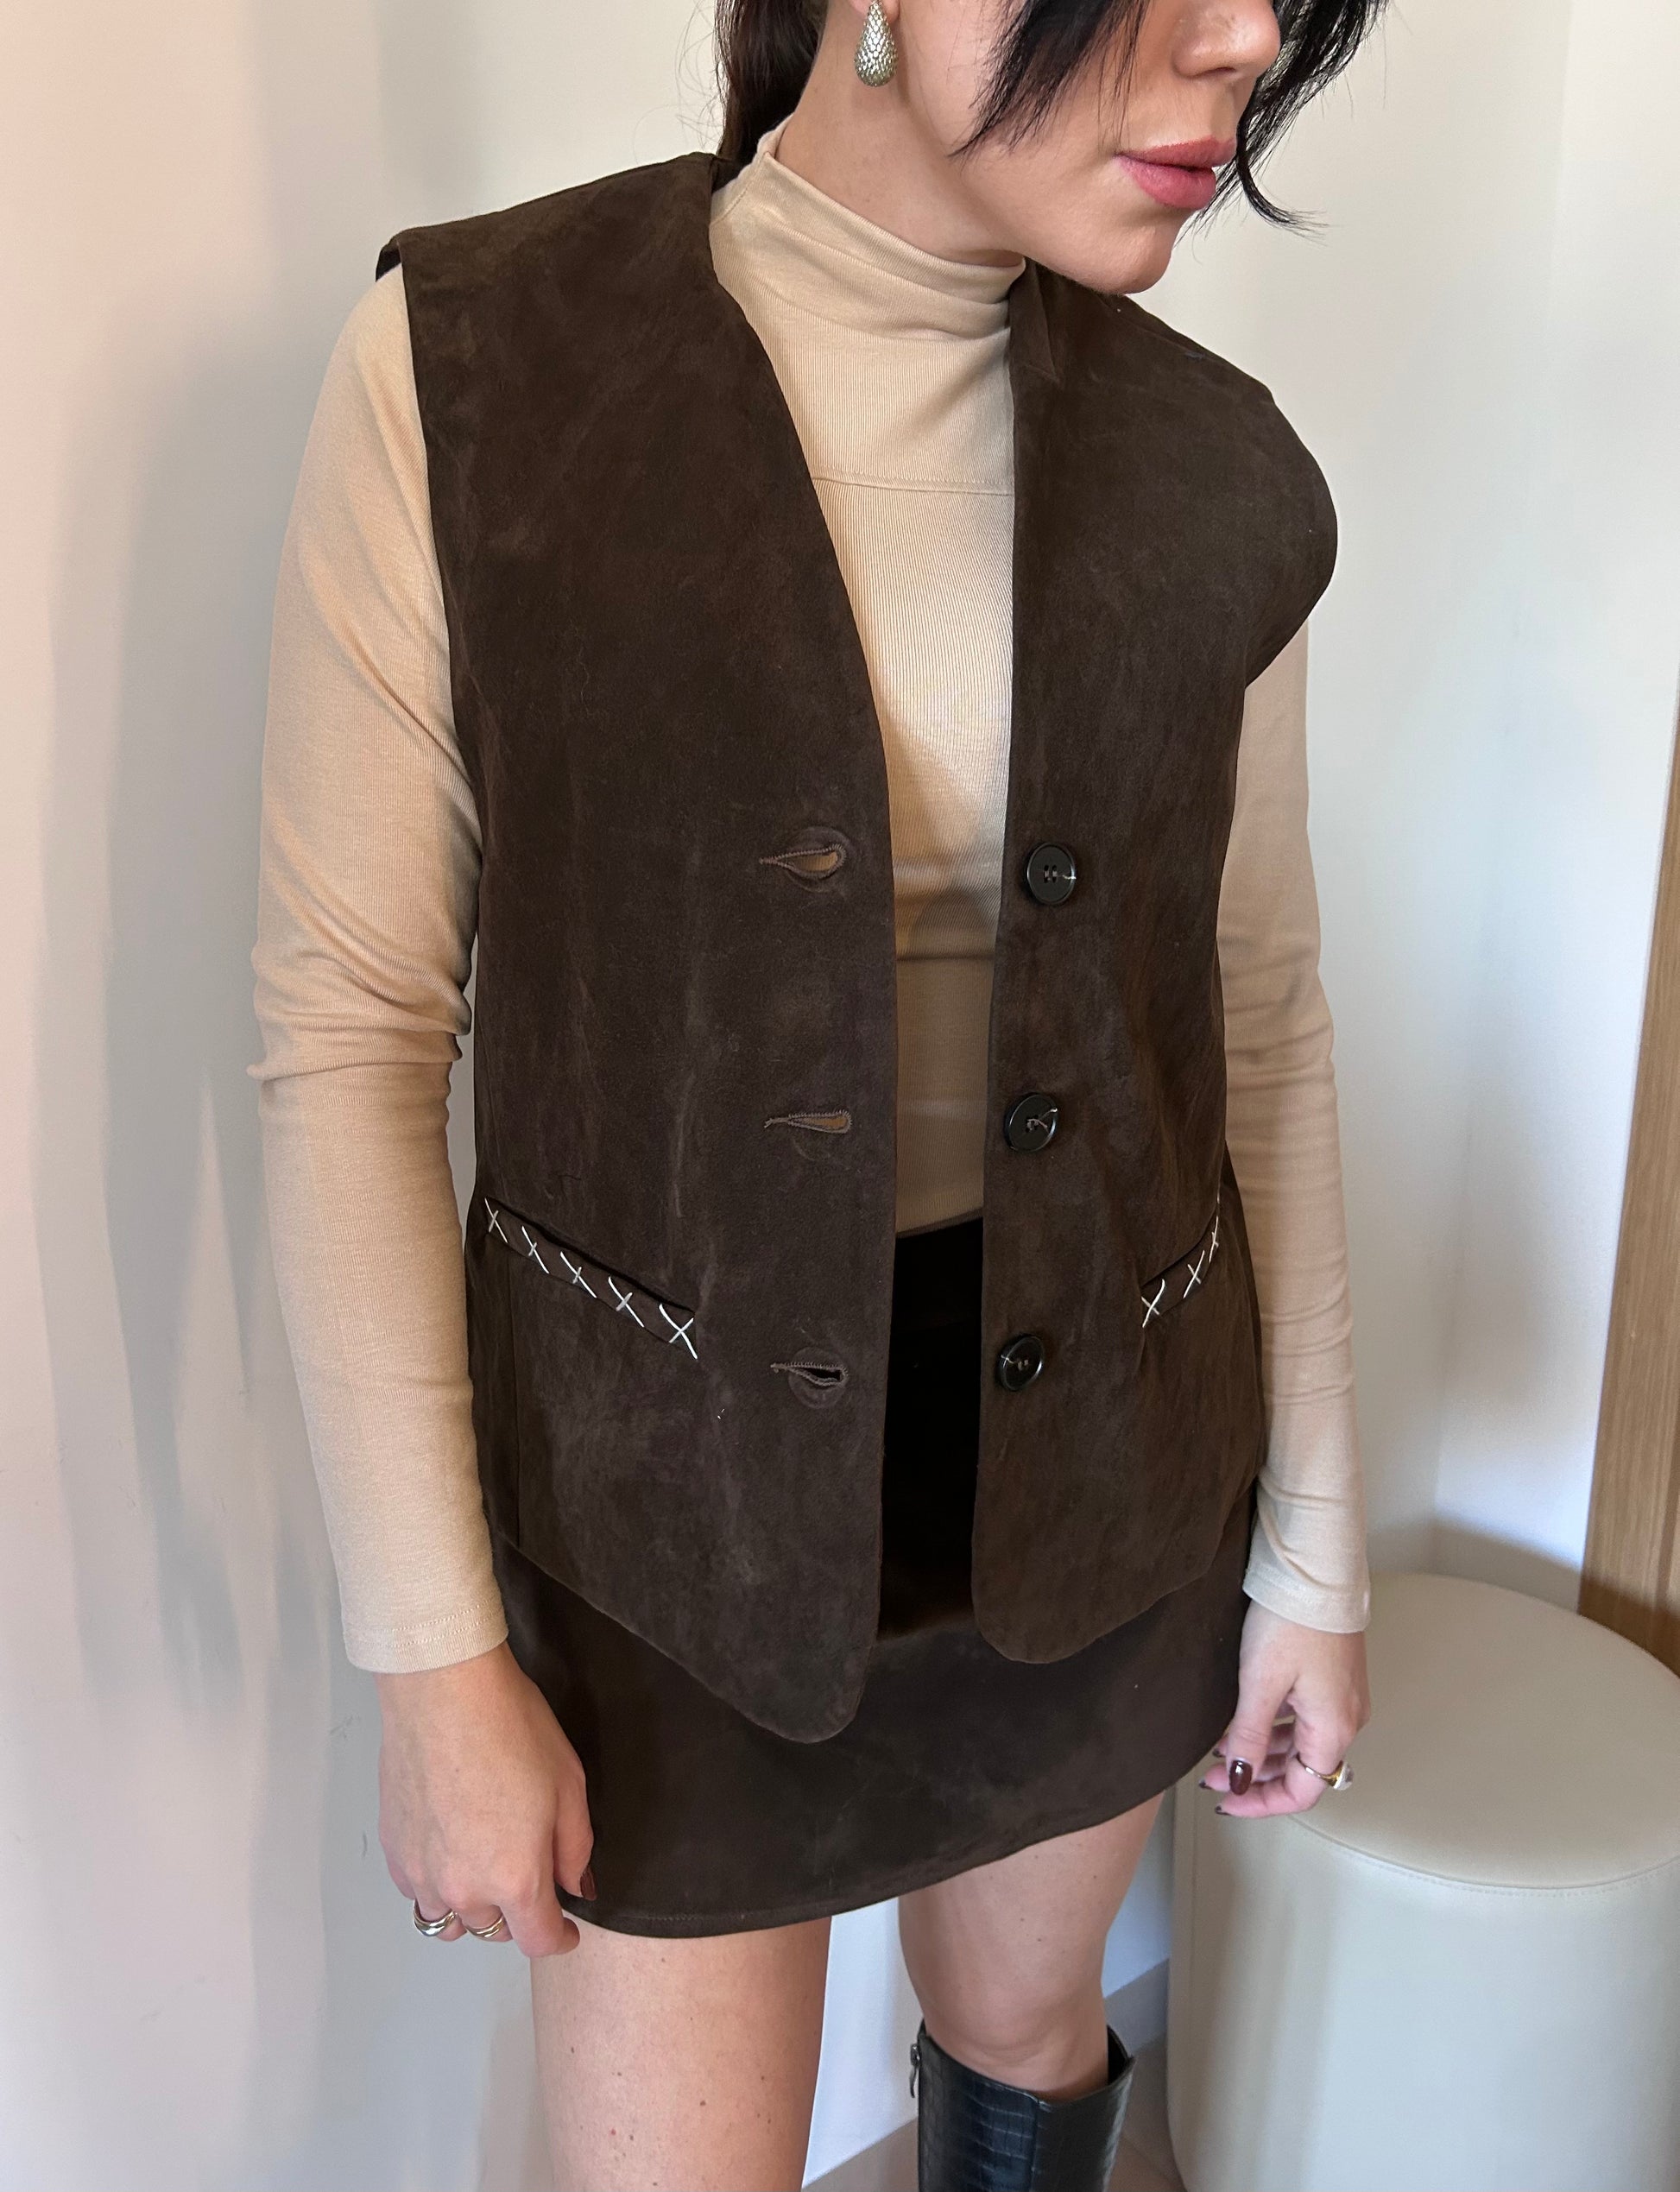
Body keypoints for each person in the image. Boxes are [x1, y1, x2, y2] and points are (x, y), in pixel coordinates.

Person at [251, 0, 1381, 2183]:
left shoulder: (1217, 469)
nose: (1245, 36)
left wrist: (1313, 1553)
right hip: (666, 1524)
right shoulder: (477, 377)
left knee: (1026, 2032)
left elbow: (1260, 1018)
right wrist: (433, 1661)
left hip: (1104, 1486)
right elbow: (356, 1036)